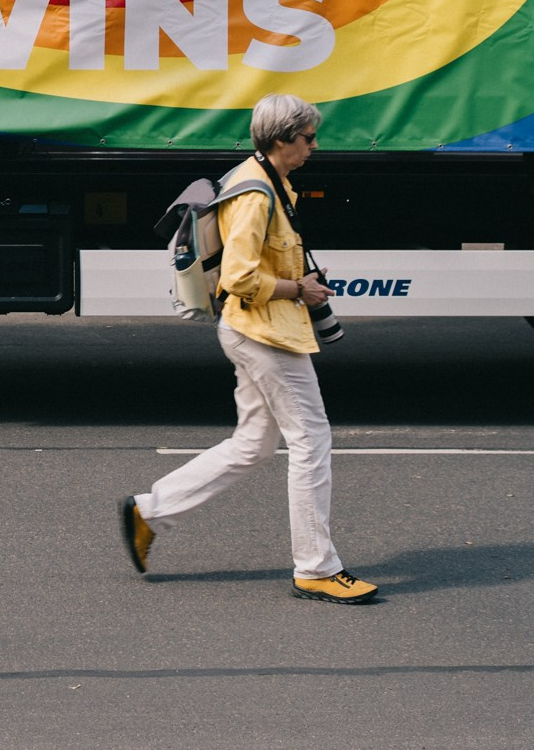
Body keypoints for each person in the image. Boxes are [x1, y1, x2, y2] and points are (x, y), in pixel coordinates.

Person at [119, 94, 380, 604]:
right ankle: (316, 568)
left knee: (253, 446)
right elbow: (239, 277)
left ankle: (150, 510)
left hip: (257, 329)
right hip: (264, 334)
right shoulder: (257, 193)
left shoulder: (268, 179)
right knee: (311, 441)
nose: (314, 146)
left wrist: (296, 278)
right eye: (307, 138)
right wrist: (297, 289)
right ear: (282, 139)